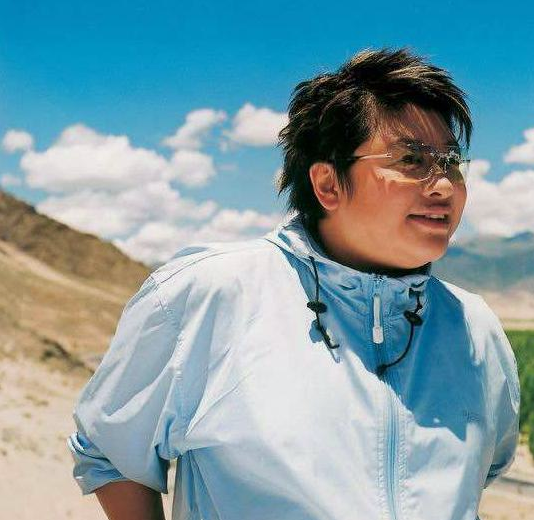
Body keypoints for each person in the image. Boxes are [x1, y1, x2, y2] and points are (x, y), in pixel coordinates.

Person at [67, 48, 520, 520]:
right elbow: (111, 451)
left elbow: (479, 472)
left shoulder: (475, 327)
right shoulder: (210, 295)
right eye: (411, 159)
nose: (443, 185)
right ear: (328, 184)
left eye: (451, 161)